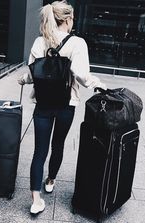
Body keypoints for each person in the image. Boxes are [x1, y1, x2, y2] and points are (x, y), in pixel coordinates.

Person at [18, 0, 106, 215]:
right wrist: (98, 84)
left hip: (43, 104)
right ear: (68, 19)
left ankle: (36, 200)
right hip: (66, 104)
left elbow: (31, 75)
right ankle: (51, 179)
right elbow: (81, 75)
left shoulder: (40, 41)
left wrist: (22, 79)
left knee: (40, 151)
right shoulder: (77, 43)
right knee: (58, 144)